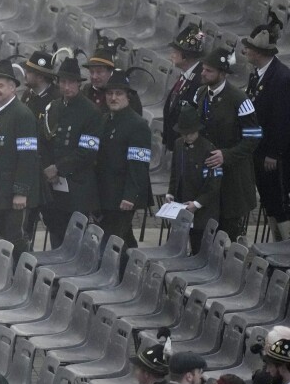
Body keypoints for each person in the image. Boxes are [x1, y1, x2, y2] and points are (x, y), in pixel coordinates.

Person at [195, 46, 260, 242]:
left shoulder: (240, 100)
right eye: (203, 69)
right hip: (208, 176)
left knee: (228, 231)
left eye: (209, 70)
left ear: (222, 74)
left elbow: (254, 137)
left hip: (233, 178)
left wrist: (227, 155)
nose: (203, 73)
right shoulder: (200, 93)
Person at [40, 56, 102, 247]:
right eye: (63, 82)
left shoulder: (90, 111)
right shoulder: (54, 107)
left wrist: (58, 168)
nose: (67, 87)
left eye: (71, 82)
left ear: (78, 83)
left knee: (75, 238)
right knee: (55, 233)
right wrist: (47, 167)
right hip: (53, 185)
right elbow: (45, 141)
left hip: (77, 185)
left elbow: (87, 152)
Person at [241, 13, 290, 240]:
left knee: (279, 201)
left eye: (249, 48)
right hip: (259, 150)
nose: (246, 51)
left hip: (273, 155)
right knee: (269, 201)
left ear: (259, 52)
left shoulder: (281, 78)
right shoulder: (258, 75)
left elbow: (283, 120)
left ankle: (285, 246)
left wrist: (274, 153)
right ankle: (276, 244)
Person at [0, 61, 40, 254]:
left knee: (16, 238)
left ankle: (27, 272)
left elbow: (27, 156)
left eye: (0, 86)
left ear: (13, 87)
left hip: (16, 191)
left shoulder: (22, 114)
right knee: (4, 236)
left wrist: (21, 192)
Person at [97, 68, 153, 250]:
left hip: (123, 195)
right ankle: (133, 265)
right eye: (110, 93)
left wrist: (130, 196)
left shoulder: (137, 125)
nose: (113, 98)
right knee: (124, 240)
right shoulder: (105, 119)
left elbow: (139, 165)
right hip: (107, 192)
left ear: (128, 97)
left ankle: (123, 267)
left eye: (118, 94)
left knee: (111, 243)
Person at [166, 104, 221, 252]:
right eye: (184, 134)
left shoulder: (208, 149)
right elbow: (175, 172)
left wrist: (197, 203)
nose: (187, 137)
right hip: (183, 205)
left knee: (201, 248)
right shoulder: (178, 145)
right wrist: (171, 192)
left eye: (191, 133)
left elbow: (214, 184)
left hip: (203, 211)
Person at [163, 21, 205, 151]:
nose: (171, 55)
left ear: (185, 56)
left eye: (175, 52)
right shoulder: (186, 75)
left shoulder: (199, 80)